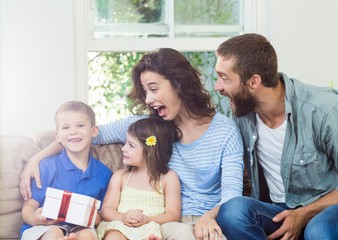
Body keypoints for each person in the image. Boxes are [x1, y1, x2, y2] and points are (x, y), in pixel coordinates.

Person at [20, 48, 244, 240]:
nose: (147, 99)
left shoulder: (224, 130)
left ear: (179, 84)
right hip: (162, 224)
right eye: (145, 91)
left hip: (208, 219)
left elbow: (232, 196)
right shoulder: (145, 127)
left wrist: (209, 217)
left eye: (154, 89)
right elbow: (84, 135)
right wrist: (37, 157)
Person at [214, 33, 338, 240]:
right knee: (233, 212)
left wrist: (303, 214)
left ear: (254, 81)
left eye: (224, 78)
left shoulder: (325, 109)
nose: (217, 87)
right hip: (279, 210)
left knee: (319, 230)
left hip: (334, 209)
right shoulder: (242, 114)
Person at [20, 101, 113, 240]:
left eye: (80, 125)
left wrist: (90, 217)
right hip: (46, 227)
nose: (73, 132)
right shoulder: (48, 167)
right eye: (65, 127)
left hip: (82, 228)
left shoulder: (104, 174)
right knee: (55, 234)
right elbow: (29, 206)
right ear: (57, 136)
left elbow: (102, 215)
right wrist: (35, 218)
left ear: (94, 130)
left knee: (88, 235)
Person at [97, 117, 181, 240]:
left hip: (149, 228)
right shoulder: (121, 176)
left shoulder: (169, 178)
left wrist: (148, 220)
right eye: (126, 143)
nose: (123, 148)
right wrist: (123, 217)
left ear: (150, 151)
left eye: (131, 145)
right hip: (120, 226)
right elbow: (106, 209)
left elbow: (173, 214)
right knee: (114, 237)